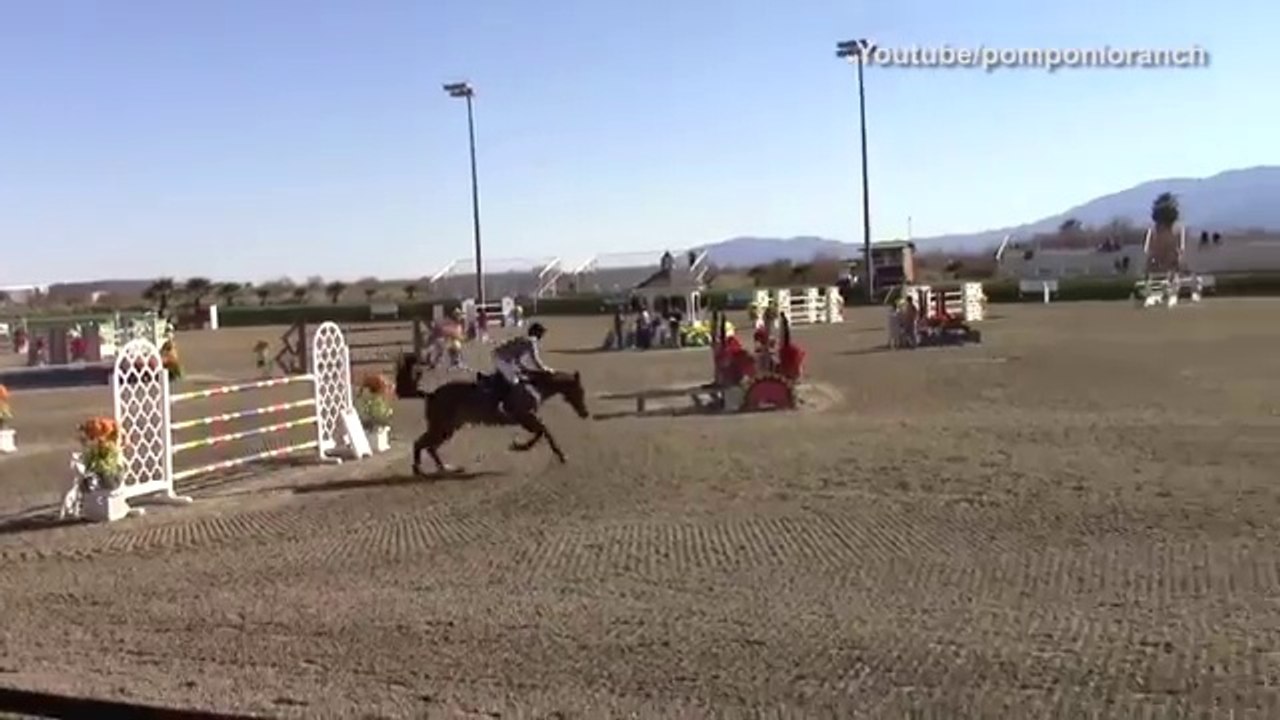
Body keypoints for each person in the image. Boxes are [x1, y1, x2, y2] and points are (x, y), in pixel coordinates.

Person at [490, 322, 552, 415]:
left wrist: (521, 367)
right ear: (537, 333)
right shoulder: (532, 341)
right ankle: (503, 406)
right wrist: (546, 369)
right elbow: (535, 360)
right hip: (502, 359)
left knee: (516, 376)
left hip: (501, 356)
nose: (542, 336)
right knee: (515, 382)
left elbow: (516, 356)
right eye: (541, 333)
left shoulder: (525, 338)